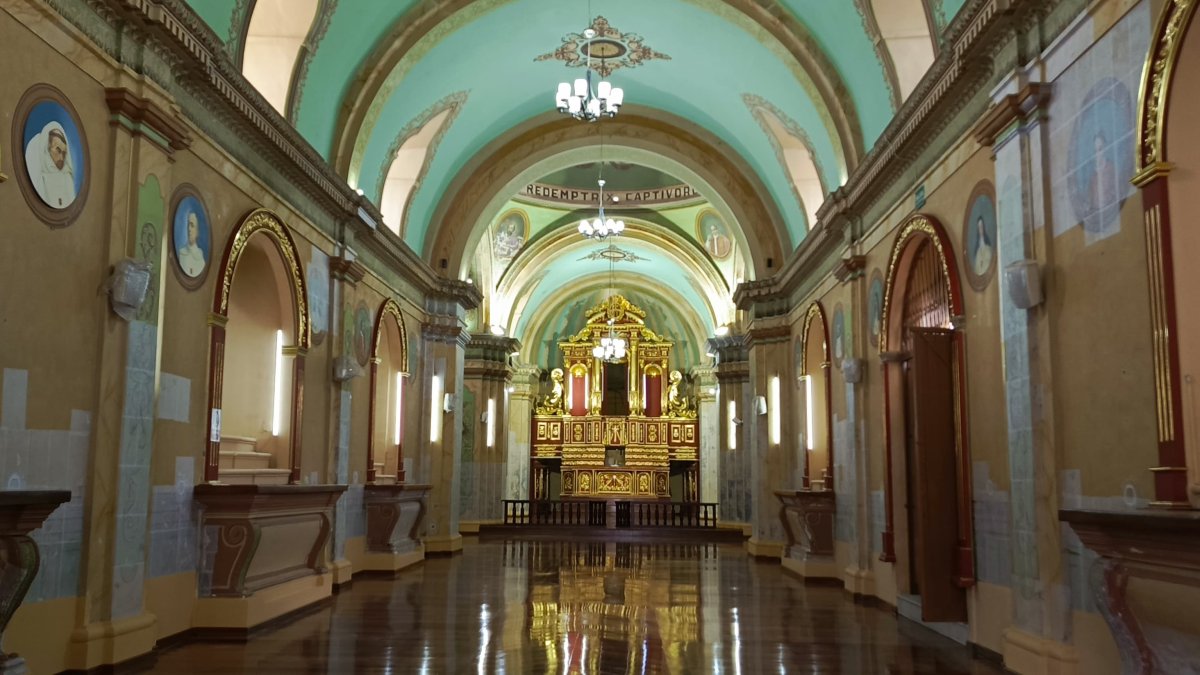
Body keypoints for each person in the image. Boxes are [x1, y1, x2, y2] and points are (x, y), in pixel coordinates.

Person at [25, 120, 76, 209]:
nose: (61, 158)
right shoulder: (39, 177)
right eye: (58, 150)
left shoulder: (67, 179)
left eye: (64, 153)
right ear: (47, 148)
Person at [1087, 131, 1119, 231]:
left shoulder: (1111, 169)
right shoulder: (1092, 178)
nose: (1098, 154)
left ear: (1105, 149)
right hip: (1098, 219)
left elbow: (1117, 193)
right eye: (1095, 151)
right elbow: (1091, 204)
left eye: (1100, 149)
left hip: (1112, 216)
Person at [177, 211, 207, 277]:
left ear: (197, 231)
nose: (189, 229)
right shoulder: (181, 254)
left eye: (192, 225)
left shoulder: (201, 258)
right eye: (188, 225)